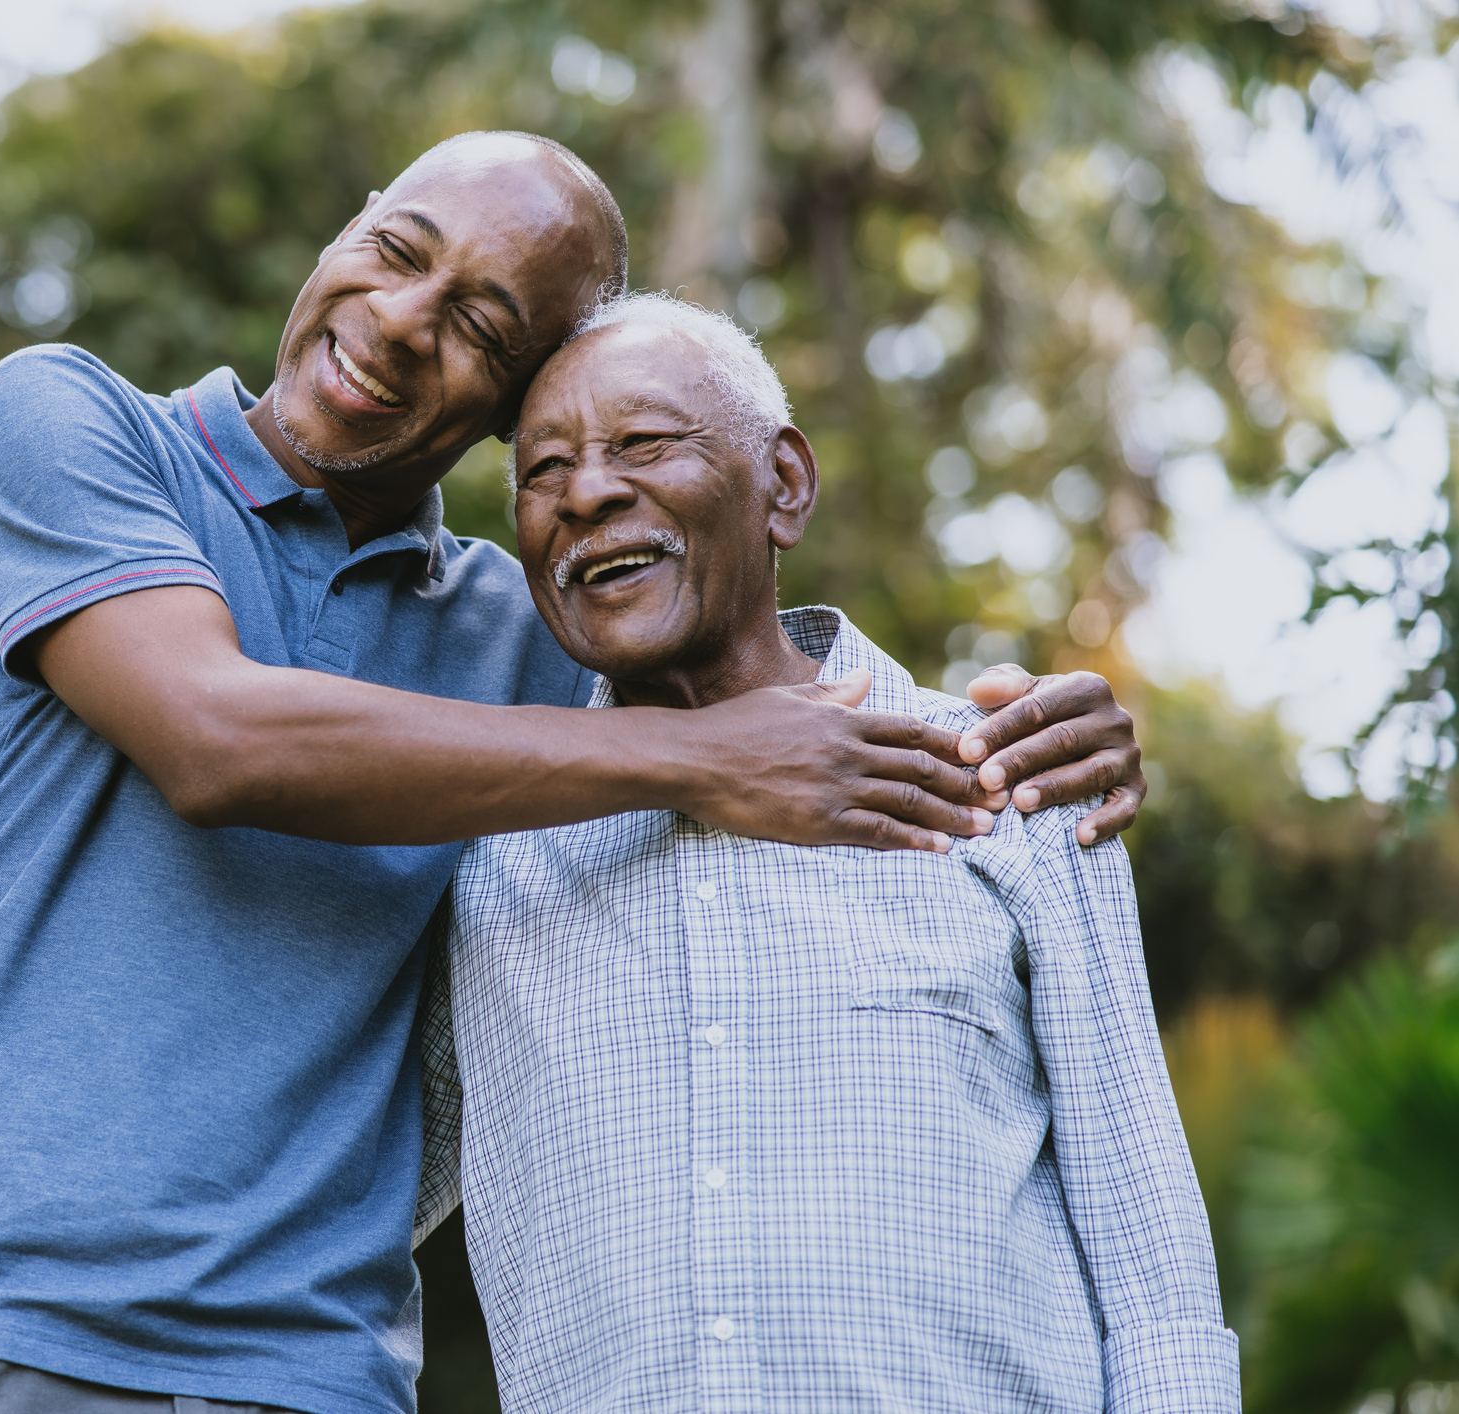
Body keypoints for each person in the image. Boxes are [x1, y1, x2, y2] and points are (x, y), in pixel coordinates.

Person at [0, 132, 1149, 1414]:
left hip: (312, 1374)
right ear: (348, 225)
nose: (396, 319)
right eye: (395, 248)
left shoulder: (528, 643)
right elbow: (216, 739)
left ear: (513, 407)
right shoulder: (70, 426)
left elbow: (745, 679)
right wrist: (697, 753)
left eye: (481, 327)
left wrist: (1034, 735)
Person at [417, 293, 1235, 1411]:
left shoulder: (1011, 781)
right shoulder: (487, 856)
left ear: (784, 487)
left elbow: (1153, 1271)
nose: (589, 491)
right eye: (543, 471)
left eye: (645, 443)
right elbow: (353, 1187)